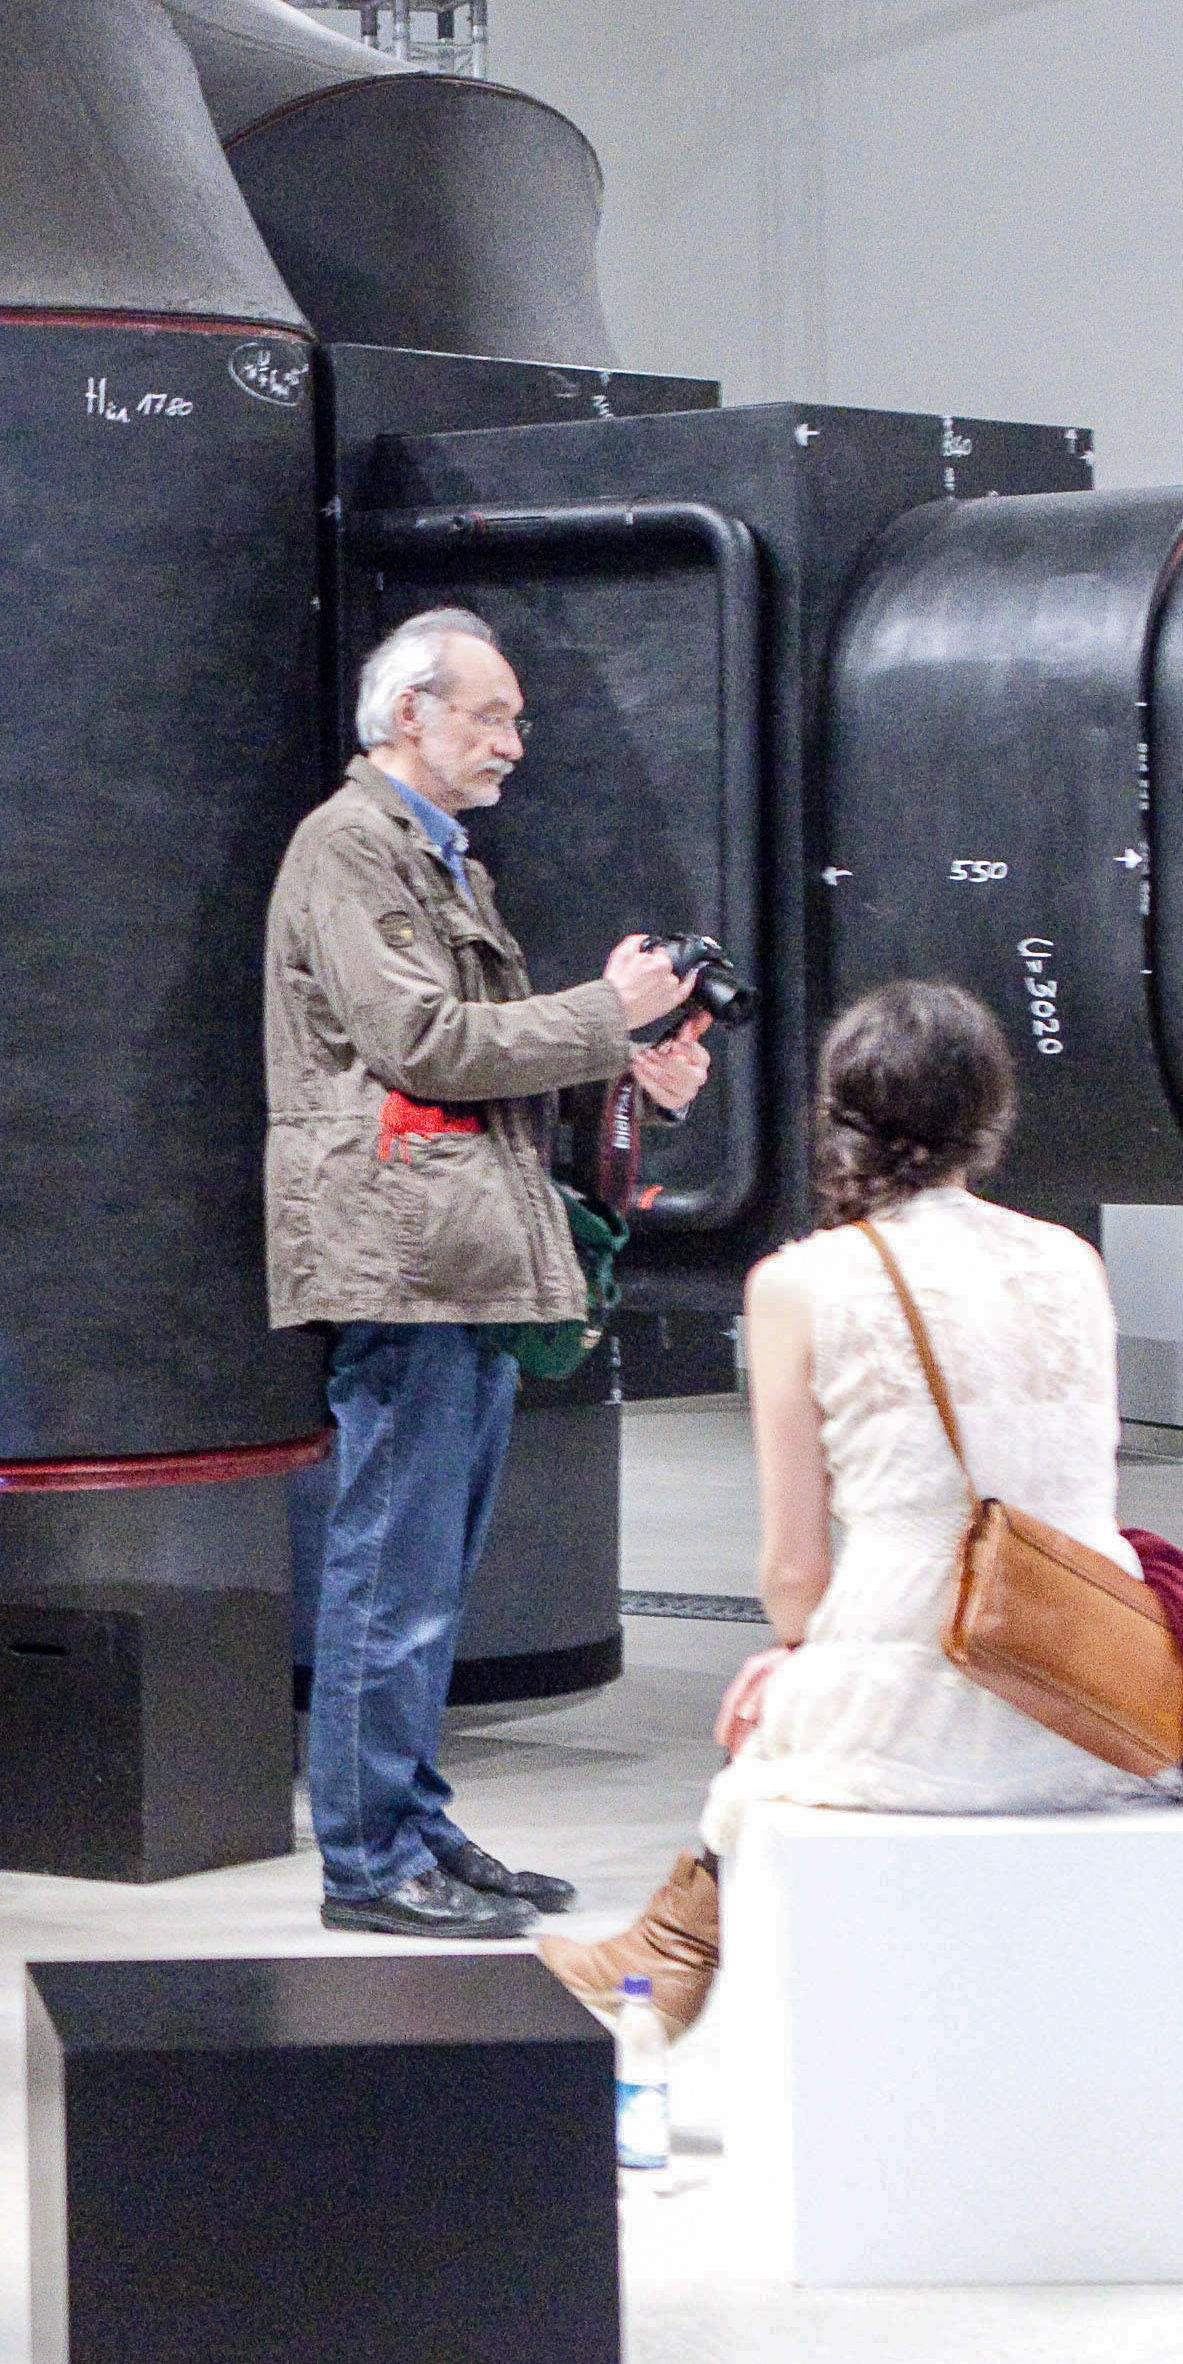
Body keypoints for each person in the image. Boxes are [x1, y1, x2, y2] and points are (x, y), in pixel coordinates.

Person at [534, 983, 1183, 2039]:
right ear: (988, 1111)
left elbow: (793, 1570)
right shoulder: (1070, 1261)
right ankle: (667, 1946)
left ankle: (668, 1952)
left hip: (915, 1698)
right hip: (1093, 1686)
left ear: (838, 1113)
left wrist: (802, 1652)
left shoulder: (803, 1282)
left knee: (773, 1718)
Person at [263, 608, 708, 1941]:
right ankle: (366, 1860)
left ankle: (410, 1825)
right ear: (408, 715)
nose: (513, 742)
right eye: (489, 717)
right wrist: (606, 1017)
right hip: (406, 1264)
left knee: (423, 1582)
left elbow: (468, 1065)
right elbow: (423, 1041)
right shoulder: (348, 847)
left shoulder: (432, 860)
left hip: (452, 1260)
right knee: (389, 1581)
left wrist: (626, 1070)